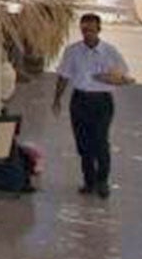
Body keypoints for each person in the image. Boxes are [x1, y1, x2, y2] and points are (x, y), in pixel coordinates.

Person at [52, 12, 131, 197]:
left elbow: (123, 75)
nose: (87, 34)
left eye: (91, 30)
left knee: (100, 142)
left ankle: (103, 181)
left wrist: (110, 78)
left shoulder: (110, 51)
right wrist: (57, 98)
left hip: (102, 100)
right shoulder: (72, 51)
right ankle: (89, 180)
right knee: (83, 143)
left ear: (99, 30)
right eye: (84, 30)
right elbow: (64, 75)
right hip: (80, 100)